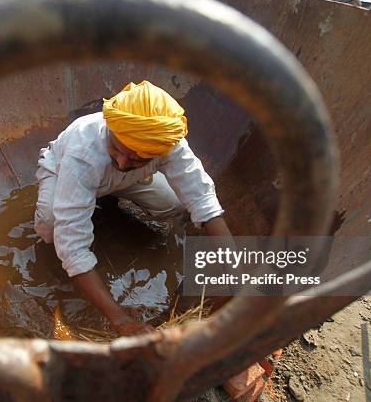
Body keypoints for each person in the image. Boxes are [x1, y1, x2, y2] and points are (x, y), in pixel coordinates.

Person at [34, 80, 232, 336]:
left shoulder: (165, 141)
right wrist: (121, 321)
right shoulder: (82, 155)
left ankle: (102, 198)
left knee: (172, 203)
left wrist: (233, 269)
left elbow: (202, 199)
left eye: (137, 157)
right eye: (116, 148)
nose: (121, 161)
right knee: (50, 229)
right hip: (63, 171)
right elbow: (73, 249)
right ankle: (87, 199)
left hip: (121, 181)